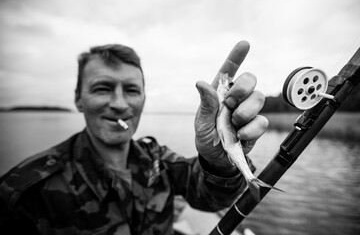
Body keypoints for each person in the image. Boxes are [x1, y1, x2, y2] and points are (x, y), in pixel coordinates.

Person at [0, 41, 268, 235]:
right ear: (78, 100)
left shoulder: (158, 159)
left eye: (131, 90)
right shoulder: (22, 191)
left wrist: (220, 161)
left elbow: (211, 199)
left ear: (143, 99)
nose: (119, 104)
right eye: (103, 88)